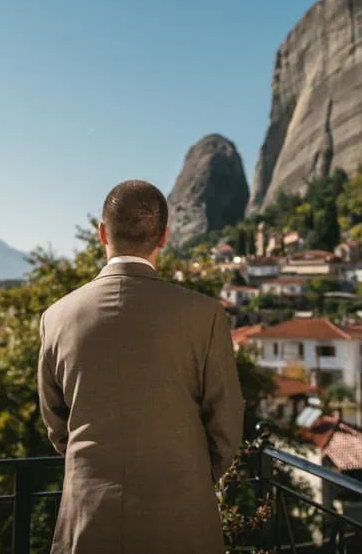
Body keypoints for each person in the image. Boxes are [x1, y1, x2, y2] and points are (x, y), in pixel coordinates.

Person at [37, 179, 244, 554]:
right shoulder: (205, 316)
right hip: (183, 518)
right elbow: (226, 422)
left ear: (102, 233)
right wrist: (194, 476)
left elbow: (56, 422)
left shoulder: (56, 317)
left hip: (88, 517)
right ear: (164, 237)